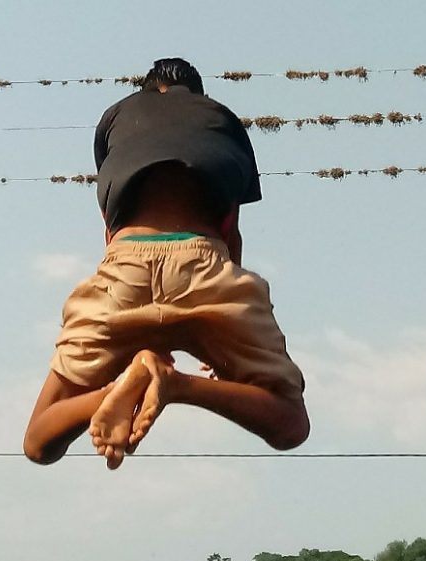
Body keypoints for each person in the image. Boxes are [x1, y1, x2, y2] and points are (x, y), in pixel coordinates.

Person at [24, 57, 309, 471]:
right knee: (289, 423)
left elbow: (112, 226)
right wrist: (220, 334)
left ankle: (126, 382)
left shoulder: (116, 118)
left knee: (39, 440)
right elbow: (230, 232)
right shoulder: (221, 119)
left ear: (145, 91)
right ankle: (176, 384)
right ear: (197, 95)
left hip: (125, 265)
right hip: (205, 262)